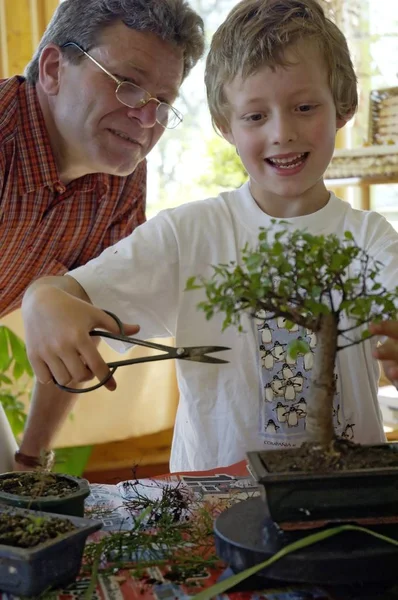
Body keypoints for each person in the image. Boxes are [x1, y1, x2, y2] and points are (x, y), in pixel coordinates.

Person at [20, 0, 398, 473]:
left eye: (304, 107)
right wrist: (42, 298)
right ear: (224, 125)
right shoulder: (188, 234)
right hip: (210, 508)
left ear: (342, 108)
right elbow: (71, 291)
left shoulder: (374, 241)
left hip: (348, 505)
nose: (282, 132)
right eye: (255, 116)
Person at [0, 0, 204, 472]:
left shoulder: (122, 177)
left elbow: (77, 325)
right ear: (53, 69)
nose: (148, 120)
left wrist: (31, 459)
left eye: (164, 102)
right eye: (128, 85)